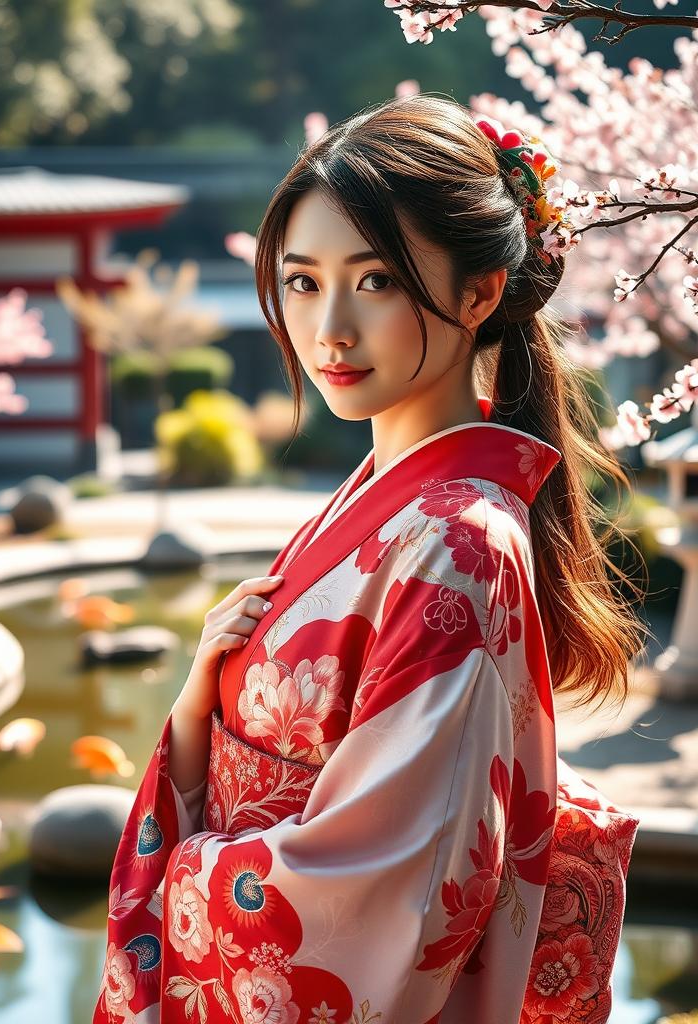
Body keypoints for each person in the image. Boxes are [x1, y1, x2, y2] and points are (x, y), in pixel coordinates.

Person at [95, 93, 649, 1024]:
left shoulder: (458, 541)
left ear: (479, 294)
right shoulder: (390, 498)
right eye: (303, 282)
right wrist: (201, 699)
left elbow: (402, 881)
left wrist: (185, 871)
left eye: (376, 281)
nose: (329, 330)